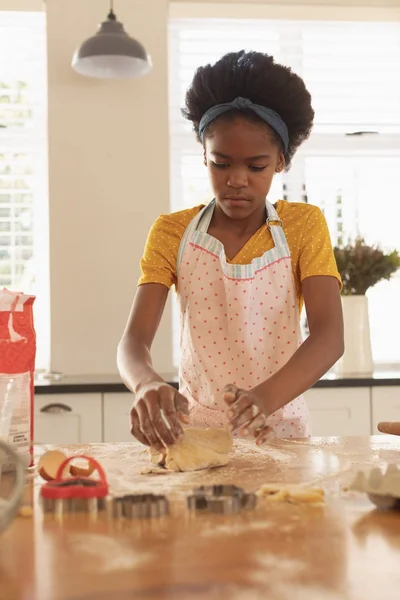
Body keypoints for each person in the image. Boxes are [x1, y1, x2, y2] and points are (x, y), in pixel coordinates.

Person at [117, 50, 344, 453]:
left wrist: (262, 400)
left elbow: (329, 337)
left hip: (280, 432)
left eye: (256, 167)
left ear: (281, 162)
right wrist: (146, 382)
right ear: (204, 154)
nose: (236, 180)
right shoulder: (172, 231)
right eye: (221, 164)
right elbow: (134, 341)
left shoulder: (303, 226)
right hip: (196, 432)